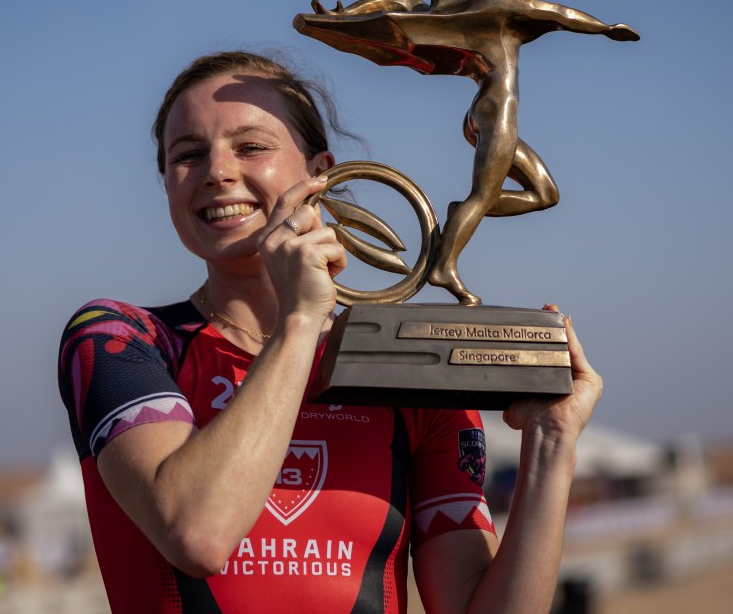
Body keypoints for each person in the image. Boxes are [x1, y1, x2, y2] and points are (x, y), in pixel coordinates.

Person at [57, 51, 603, 613]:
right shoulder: (120, 340)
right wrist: (301, 322)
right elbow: (198, 534)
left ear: (321, 173)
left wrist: (551, 444)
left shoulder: (409, 369)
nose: (217, 171)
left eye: (250, 147)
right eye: (188, 154)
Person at [297, 0, 640, 305]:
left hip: (480, 112)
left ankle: (462, 213)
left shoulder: (467, 12)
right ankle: (445, 266)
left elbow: (397, 0)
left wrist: (347, 14)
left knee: (545, 194)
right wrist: (605, 29)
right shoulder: (505, 7)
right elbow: (559, 14)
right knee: (482, 196)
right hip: (497, 112)